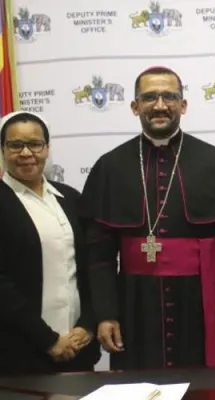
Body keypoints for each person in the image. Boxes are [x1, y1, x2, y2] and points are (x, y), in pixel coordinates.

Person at [78, 66, 215, 370]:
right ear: (135, 107)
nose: (160, 105)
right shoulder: (110, 166)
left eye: (170, 97)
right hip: (135, 303)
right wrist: (106, 313)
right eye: (149, 98)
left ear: (183, 105)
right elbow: (99, 256)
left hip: (199, 302)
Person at [0, 111, 100, 375]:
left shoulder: (70, 199)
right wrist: (49, 340)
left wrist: (87, 324)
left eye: (35, 144)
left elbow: (92, 268)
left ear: (46, 148)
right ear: (2, 150)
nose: (26, 153)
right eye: (15, 145)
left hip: (78, 347)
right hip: (21, 352)